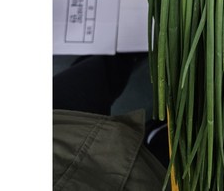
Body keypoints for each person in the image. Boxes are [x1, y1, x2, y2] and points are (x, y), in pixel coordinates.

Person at [53, 54, 171, 190]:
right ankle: (157, 132)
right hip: (113, 180)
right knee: (162, 151)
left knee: (100, 65)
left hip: (58, 133)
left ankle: (129, 49)